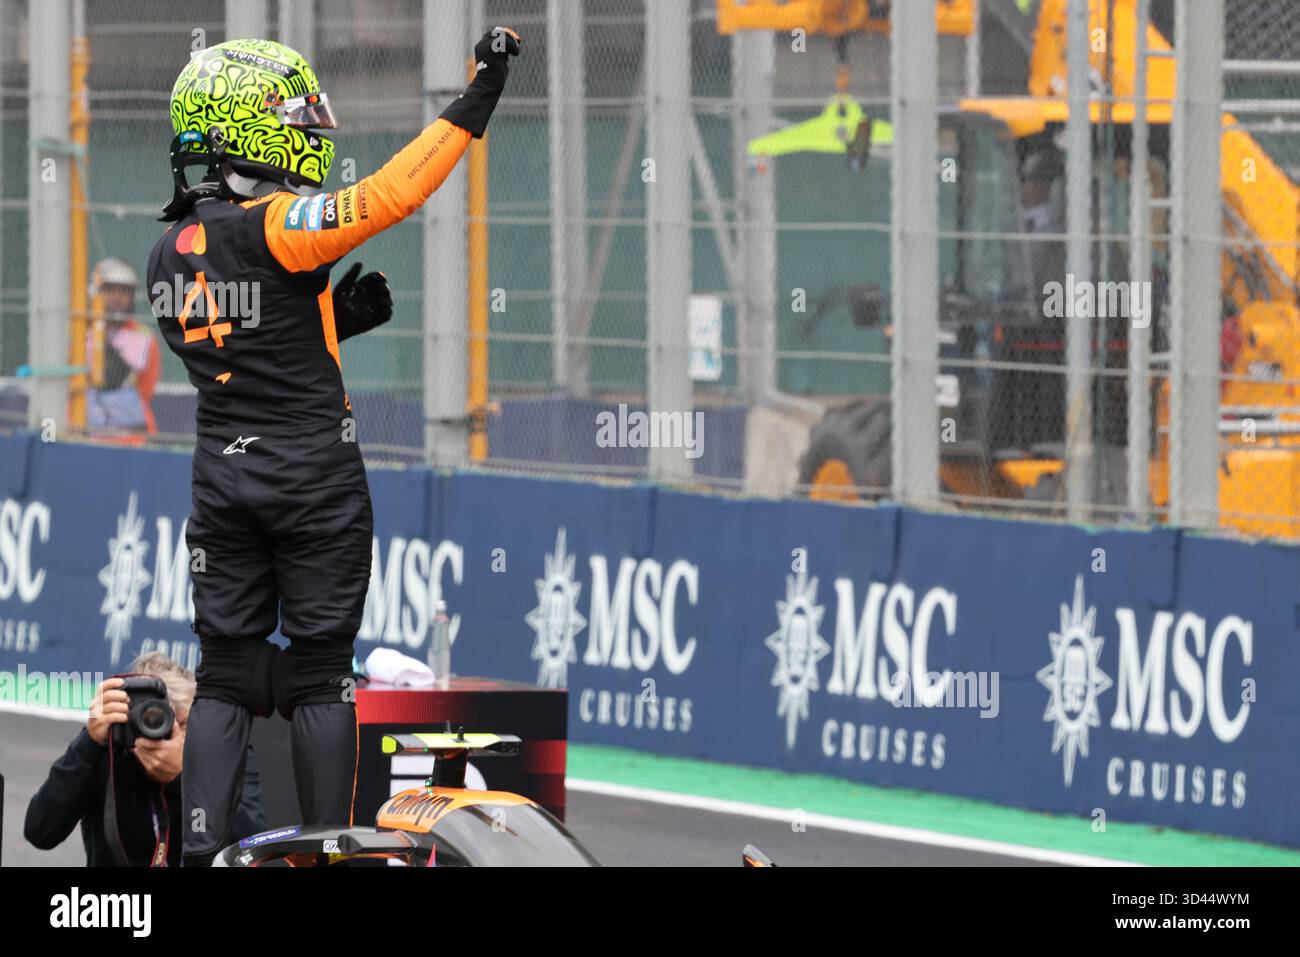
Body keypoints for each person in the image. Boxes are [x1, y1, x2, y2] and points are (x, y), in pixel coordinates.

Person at [148, 30, 520, 866]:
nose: (312, 133)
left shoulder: (162, 254)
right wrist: (475, 100)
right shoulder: (281, 225)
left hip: (221, 481)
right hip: (313, 478)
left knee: (226, 671)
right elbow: (390, 195)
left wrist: (334, 322)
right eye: (294, 118)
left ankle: (200, 853)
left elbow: (245, 347)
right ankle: (320, 853)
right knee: (320, 673)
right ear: (246, 130)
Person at [23, 651, 266, 866]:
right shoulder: (110, 748)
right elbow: (41, 832)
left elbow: (250, 847)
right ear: (134, 720)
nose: (177, 734)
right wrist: (88, 743)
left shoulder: (223, 750)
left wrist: (183, 781)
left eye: (186, 723)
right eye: (160, 721)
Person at [84, 258, 163, 437]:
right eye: (110, 290)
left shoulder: (144, 337)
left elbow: (146, 390)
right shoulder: (78, 331)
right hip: (82, 430)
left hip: (130, 433)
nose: (117, 298)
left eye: (124, 291)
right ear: (94, 293)